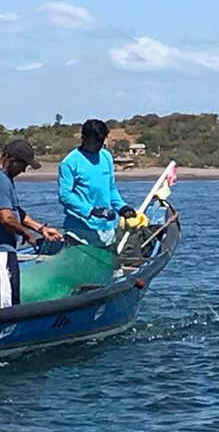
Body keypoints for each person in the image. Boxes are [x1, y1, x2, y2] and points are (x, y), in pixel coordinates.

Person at [0, 140, 63, 307]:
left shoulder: (6, 179)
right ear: (11, 160)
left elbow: (17, 212)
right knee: (9, 304)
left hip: (6, 251)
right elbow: (6, 218)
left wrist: (41, 229)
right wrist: (27, 235)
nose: (24, 170)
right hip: (2, 253)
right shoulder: (2, 181)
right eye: (23, 165)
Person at [58, 119, 136, 247]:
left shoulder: (106, 157)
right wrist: (91, 211)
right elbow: (65, 195)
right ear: (84, 138)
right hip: (79, 232)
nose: (98, 145)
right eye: (95, 142)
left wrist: (122, 207)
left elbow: (110, 189)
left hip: (106, 230)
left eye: (101, 141)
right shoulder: (69, 163)